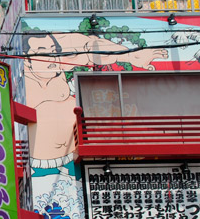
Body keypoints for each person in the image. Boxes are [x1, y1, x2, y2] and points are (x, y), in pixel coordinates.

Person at [22, 32, 168, 172]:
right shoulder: (23, 80)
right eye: (42, 52)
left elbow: (89, 45)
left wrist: (129, 55)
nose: (51, 57)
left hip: (76, 154)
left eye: (53, 51)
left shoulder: (56, 64)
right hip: (43, 161)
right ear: (26, 60)